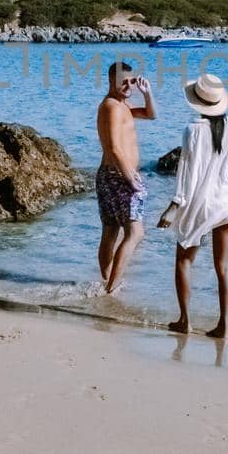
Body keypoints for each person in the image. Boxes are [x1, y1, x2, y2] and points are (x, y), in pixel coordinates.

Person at [157, 72, 228, 338]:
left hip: (200, 203)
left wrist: (174, 206)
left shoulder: (192, 130)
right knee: (224, 267)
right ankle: (225, 327)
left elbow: (186, 173)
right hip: (227, 202)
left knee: (184, 260)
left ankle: (185, 321)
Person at [96, 60, 157, 293]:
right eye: (123, 82)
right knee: (135, 232)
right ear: (111, 81)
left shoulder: (123, 105)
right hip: (118, 175)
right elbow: (113, 148)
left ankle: (106, 282)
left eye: (131, 81)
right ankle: (112, 287)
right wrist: (131, 178)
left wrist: (147, 93)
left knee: (111, 230)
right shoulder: (111, 106)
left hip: (112, 175)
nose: (128, 85)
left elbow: (151, 115)